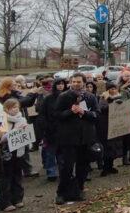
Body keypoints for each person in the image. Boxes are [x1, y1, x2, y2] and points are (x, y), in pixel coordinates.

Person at [53, 73, 99, 205]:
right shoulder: (64, 96)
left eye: (78, 82)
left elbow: (96, 115)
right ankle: (62, 193)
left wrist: (84, 113)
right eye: (73, 81)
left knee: (83, 166)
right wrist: (70, 112)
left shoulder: (90, 97)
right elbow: (56, 115)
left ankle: (79, 189)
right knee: (66, 167)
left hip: (85, 138)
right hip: (68, 138)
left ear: (84, 83)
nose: (76, 84)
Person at [96, 83, 124, 176]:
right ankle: (105, 167)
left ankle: (111, 166)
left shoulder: (120, 97)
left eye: (115, 89)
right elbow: (102, 108)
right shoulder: (103, 98)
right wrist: (112, 104)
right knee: (107, 147)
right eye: (111, 89)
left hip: (116, 124)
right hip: (105, 125)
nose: (113, 91)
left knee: (114, 147)